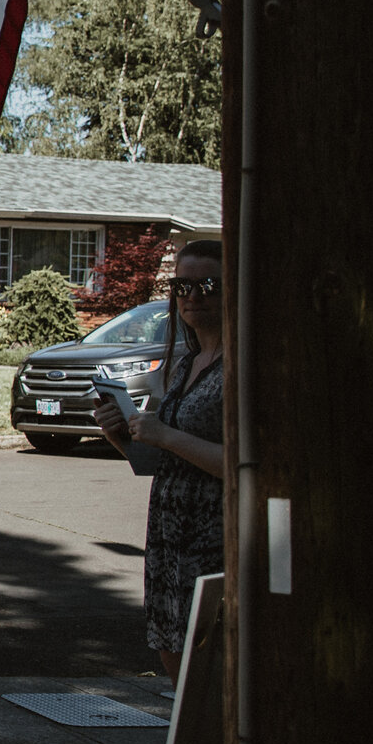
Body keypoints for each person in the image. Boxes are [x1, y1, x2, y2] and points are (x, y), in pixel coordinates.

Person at [93, 239, 226, 684]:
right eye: (182, 285)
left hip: (215, 532)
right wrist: (121, 435)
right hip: (170, 530)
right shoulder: (187, 362)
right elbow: (160, 459)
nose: (192, 296)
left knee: (210, 663)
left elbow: (249, 466)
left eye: (208, 284)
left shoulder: (243, 366)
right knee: (172, 654)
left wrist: (167, 434)